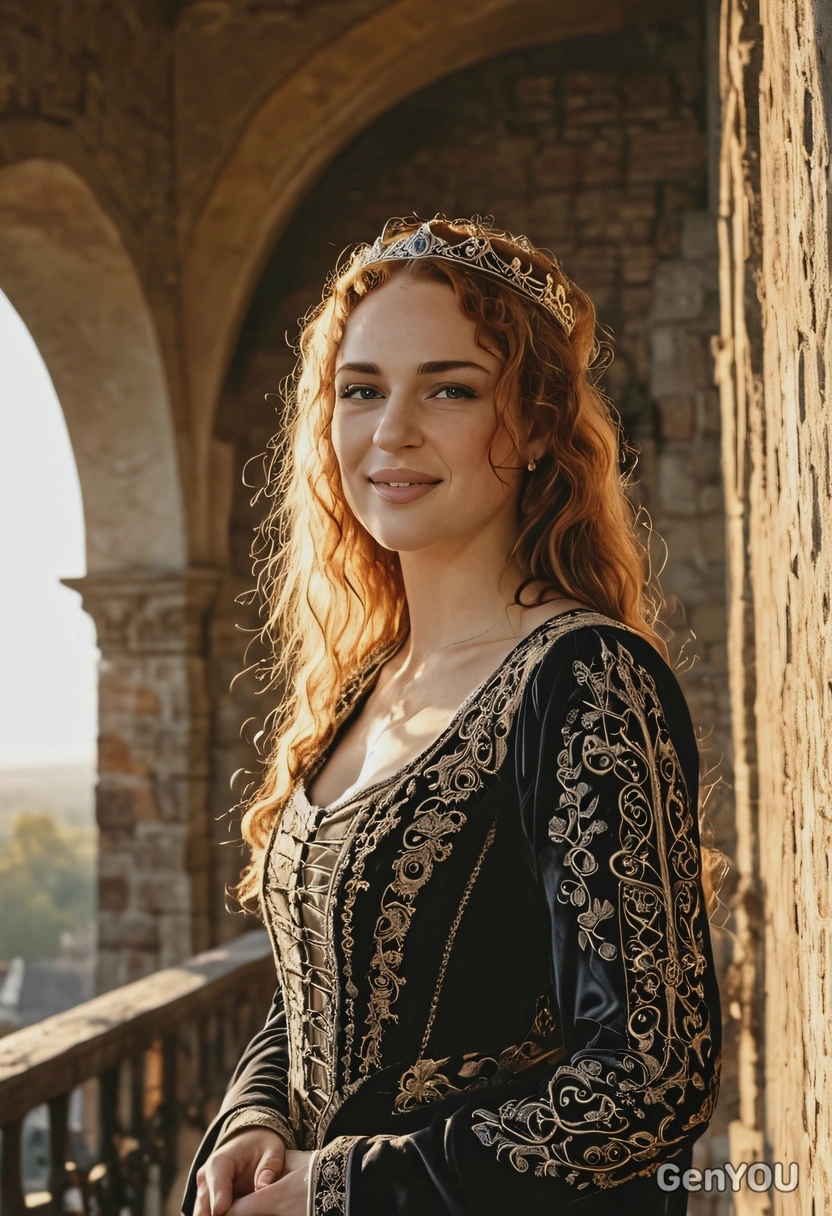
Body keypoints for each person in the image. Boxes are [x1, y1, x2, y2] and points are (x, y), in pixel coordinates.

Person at [182, 216, 723, 1216]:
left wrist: (339, 1187)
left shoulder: (585, 678)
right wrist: (253, 1117)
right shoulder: (364, 685)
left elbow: (646, 1083)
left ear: (528, 427)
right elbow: (314, 990)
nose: (391, 430)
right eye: (362, 389)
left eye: (449, 387)